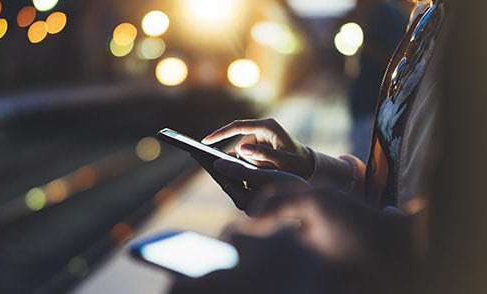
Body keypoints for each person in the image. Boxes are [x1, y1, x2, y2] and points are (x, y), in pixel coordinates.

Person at [173, 0, 449, 292]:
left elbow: (462, 243)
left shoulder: (469, 29)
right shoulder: (427, 15)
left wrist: (349, 227)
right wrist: (310, 166)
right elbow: (399, 186)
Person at [347, 0, 408, 161]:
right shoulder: (379, 12)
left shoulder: (386, 14)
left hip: (374, 112)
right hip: (369, 112)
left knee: (363, 169)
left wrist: (363, 47)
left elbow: (394, 56)